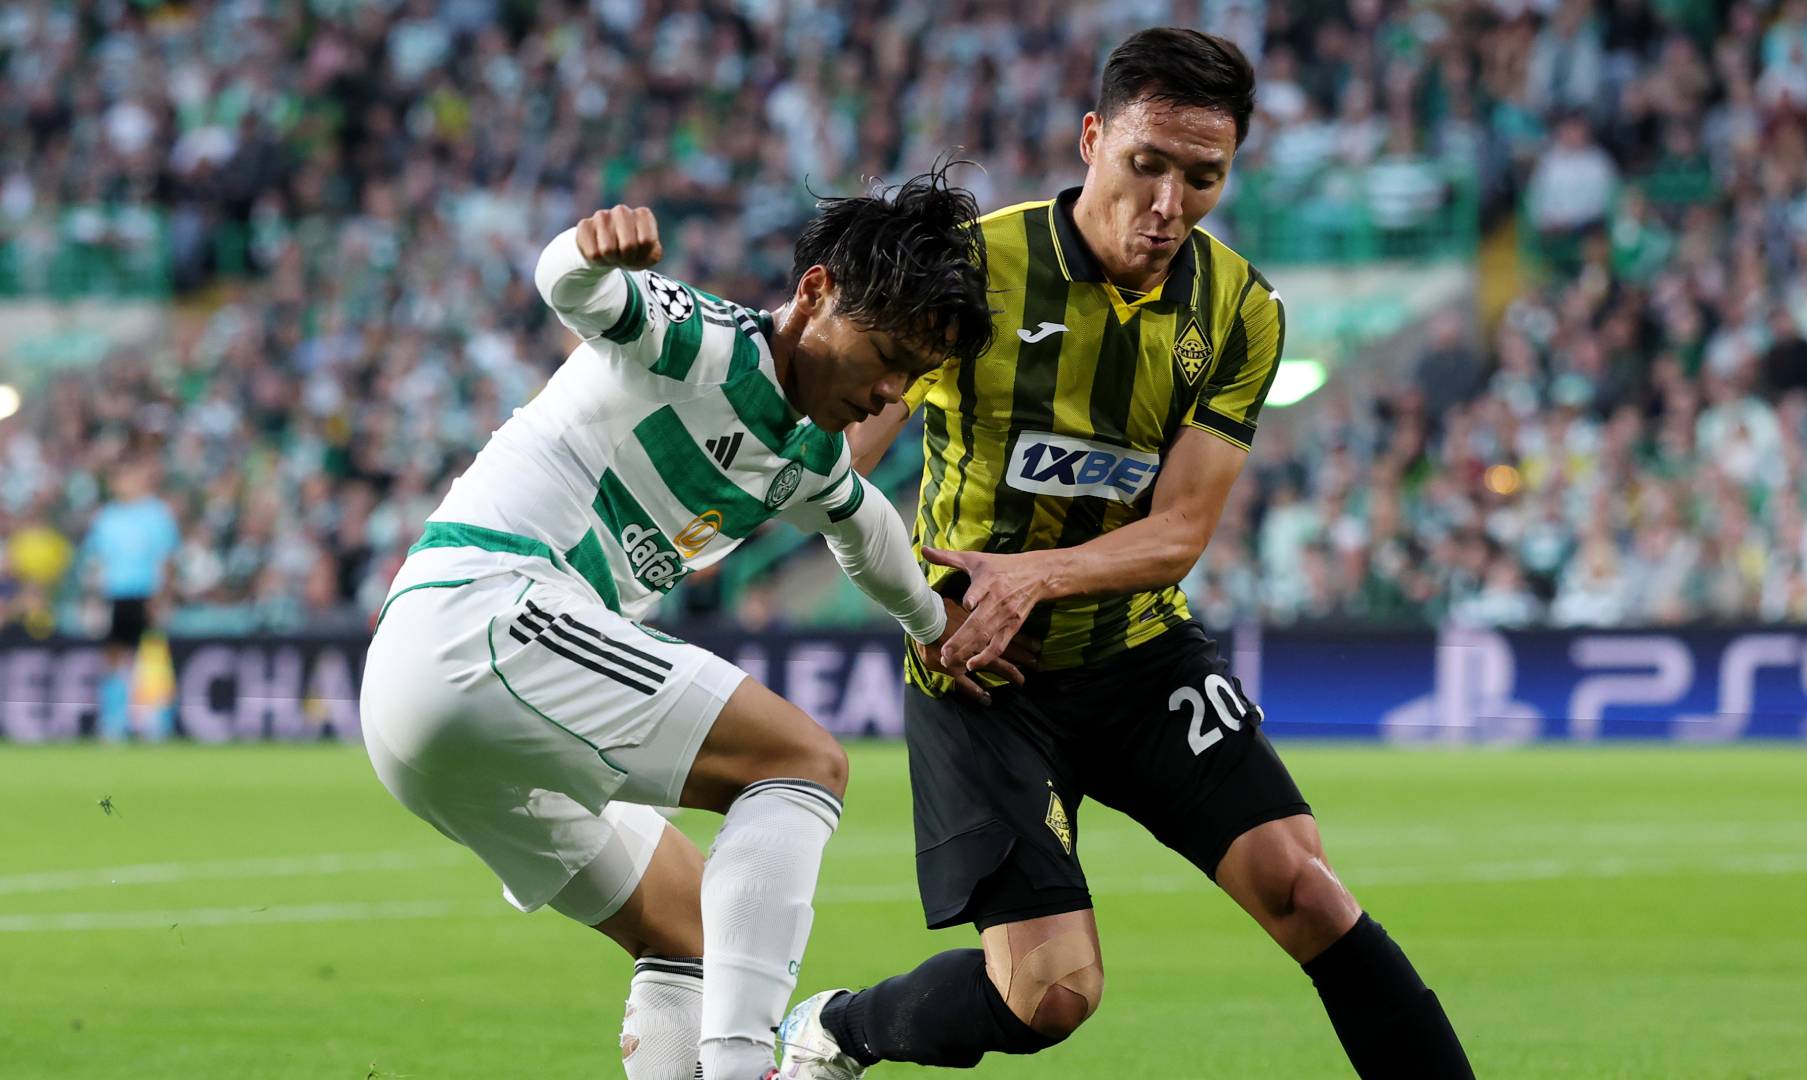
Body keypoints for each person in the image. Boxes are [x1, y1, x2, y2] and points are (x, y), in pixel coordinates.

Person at [777, 29, 1475, 1079]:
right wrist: (906, 585)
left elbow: (1181, 533)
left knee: (1305, 889)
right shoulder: (975, 269)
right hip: (982, 674)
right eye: (1147, 164)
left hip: (1140, 655)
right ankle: (838, 1029)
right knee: (1049, 995)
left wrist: (1036, 576)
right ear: (1092, 139)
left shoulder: (1242, 312)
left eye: (1203, 177)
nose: (1169, 204)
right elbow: (844, 457)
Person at [358, 167, 1001, 1080]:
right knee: (801, 762)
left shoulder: (810, 454)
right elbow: (572, 288)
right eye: (886, 354)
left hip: (433, 716)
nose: (891, 391)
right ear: (815, 292)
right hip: (484, 614)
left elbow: (867, 532)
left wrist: (932, 620)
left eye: (915, 377)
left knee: (693, 927)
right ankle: (746, 1068)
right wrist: (588, 249)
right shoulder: (705, 339)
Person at [80, 458, 180, 739]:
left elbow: (167, 560)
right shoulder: (106, 517)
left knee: (151, 657)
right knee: (114, 656)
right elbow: (96, 561)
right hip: (114, 594)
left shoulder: (157, 514)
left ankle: (155, 721)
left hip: (146, 594)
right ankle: (114, 721)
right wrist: (93, 599)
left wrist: (163, 597)